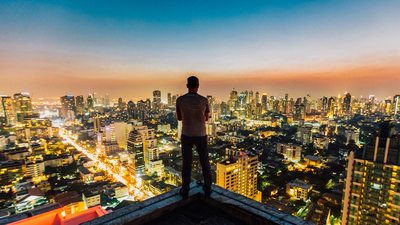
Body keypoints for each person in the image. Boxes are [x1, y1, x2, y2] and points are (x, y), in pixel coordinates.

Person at [176, 76, 212, 199]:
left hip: (187, 135)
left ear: (187, 86)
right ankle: (207, 189)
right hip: (201, 135)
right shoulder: (204, 100)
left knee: (186, 163)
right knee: (204, 162)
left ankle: (185, 190)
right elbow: (206, 118)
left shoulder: (180, 100)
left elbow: (179, 118)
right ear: (198, 86)